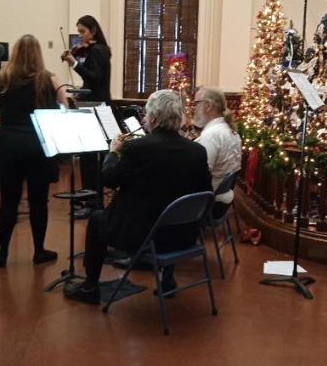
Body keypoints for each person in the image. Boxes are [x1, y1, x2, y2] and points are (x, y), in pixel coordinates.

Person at [65, 90, 212, 304]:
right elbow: (205, 191)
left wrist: (113, 152)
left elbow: (108, 179)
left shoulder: (138, 148)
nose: (143, 119)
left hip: (145, 238)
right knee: (170, 204)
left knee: (97, 219)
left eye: (146, 115)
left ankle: (90, 288)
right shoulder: (197, 151)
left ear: (153, 118)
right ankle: (168, 281)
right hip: (184, 237)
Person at [0, 34, 68, 268]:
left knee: (9, 200)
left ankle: (2, 253)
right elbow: (65, 104)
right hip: (39, 145)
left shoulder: (2, 78)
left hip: (9, 144)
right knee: (38, 201)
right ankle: (39, 251)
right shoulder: (48, 78)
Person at [61, 15, 113, 214]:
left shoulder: (98, 50)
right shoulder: (96, 50)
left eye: (83, 31)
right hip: (92, 104)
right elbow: (92, 83)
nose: (80, 37)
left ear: (93, 31)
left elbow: (96, 77)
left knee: (91, 159)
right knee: (87, 159)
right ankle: (89, 199)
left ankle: (93, 203)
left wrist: (75, 64)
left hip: (96, 109)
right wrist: (79, 93)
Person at [193, 86, 243, 219]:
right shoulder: (228, 130)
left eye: (196, 103)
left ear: (208, 105)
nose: (194, 108)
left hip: (208, 205)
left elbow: (198, 177)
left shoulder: (211, 137)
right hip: (221, 200)